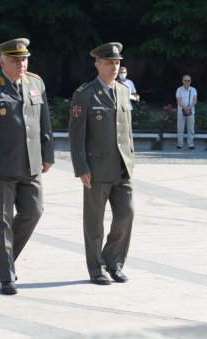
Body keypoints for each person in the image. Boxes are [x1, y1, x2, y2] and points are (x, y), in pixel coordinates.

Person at [0, 38, 55, 295]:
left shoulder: (36, 82)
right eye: (15, 59)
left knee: (34, 211)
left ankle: (0, 252)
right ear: (2, 61)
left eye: (24, 59)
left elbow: (44, 121)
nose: (21, 64)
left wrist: (47, 153)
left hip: (31, 163)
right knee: (2, 221)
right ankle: (7, 276)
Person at [68, 42, 134, 286]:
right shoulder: (85, 94)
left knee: (127, 213)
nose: (114, 67)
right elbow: (76, 135)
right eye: (109, 63)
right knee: (94, 222)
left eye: (117, 62)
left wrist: (131, 158)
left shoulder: (124, 91)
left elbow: (126, 131)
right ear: (98, 65)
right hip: (96, 169)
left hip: (122, 168)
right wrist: (81, 167)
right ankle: (96, 268)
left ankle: (114, 262)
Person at [176, 75, 197, 150]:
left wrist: (189, 107)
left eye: (188, 81)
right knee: (180, 129)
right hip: (181, 111)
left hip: (191, 111)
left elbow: (195, 100)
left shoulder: (193, 90)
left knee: (191, 129)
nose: (187, 82)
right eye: (185, 80)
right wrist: (185, 108)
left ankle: (191, 144)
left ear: (190, 81)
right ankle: (180, 144)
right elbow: (179, 100)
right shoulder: (179, 90)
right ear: (182, 81)